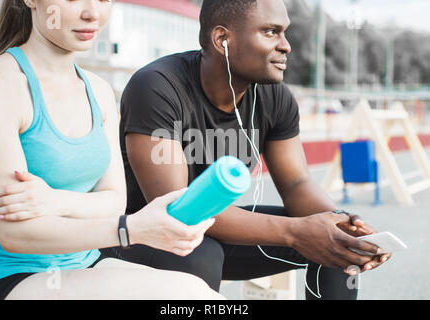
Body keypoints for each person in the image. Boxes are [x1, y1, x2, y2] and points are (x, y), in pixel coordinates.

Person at [115, 0, 391, 300]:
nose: (285, 46)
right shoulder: (157, 86)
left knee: (336, 245)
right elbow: (180, 209)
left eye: (284, 32)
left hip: (216, 232)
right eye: (270, 32)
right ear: (223, 40)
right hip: (140, 236)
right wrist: (295, 232)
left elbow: (297, 183)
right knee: (200, 254)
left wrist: (346, 226)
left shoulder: (275, 97)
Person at [0, 0, 222, 300]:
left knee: (202, 293)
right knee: (188, 297)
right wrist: (131, 229)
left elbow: (113, 201)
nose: (93, 13)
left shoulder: (99, 91)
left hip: (83, 265)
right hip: (8, 277)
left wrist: (52, 200)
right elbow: (14, 233)